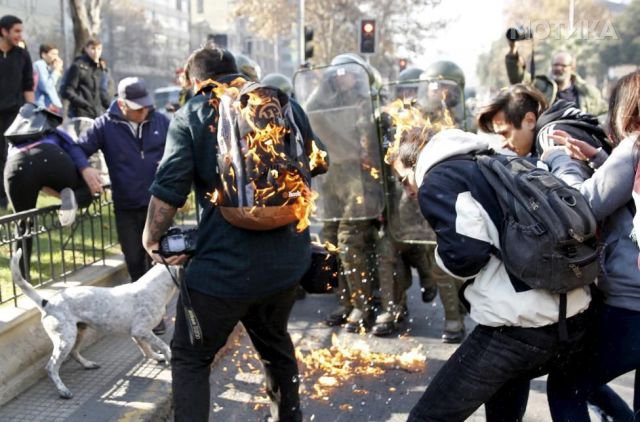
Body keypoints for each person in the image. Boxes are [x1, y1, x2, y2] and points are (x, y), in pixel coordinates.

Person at [142, 44, 325, 422]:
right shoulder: (282, 106)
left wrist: (151, 239)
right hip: (286, 263)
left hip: (221, 273)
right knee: (276, 347)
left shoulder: (192, 114)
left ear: (194, 81)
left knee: (192, 357)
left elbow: (169, 189)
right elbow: (319, 161)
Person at [389, 126, 591, 421]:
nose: (408, 190)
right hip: (571, 314)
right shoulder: (492, 158)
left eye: (404, 179)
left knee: (428, 417)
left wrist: (439, 256)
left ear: (414, 162)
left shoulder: (437, 180)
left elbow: (467, 256)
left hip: (517, 326)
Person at [542, 69, 640, 421]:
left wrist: (560, 161)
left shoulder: (634, 147)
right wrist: (599, 158)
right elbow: (629, 196)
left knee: (566, 385)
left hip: (632, 307)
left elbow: (583, 206)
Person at [302, 53, 385, 332]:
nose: (342, 79)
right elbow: (308, 109)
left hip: (361, 181)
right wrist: (321, 82)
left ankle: (362, 304)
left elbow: (372, 141)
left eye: (347, 74)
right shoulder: (325, 102)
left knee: (350, 241)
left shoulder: (367, 103)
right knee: (330, 241)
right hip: (331, 179)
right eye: (336, 75)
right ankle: (346, 302)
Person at [76, 76, 169, 286]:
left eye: (146, 106)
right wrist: (86, 168)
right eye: (137, 108)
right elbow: (77, 148)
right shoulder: (104, 125)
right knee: (135, 261)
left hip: (160, 204)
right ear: (121, 104)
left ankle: (161, 313)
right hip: (126, 206)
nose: (143, 112)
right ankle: (143, 313)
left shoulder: (161, 121)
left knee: (161, 262)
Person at [4, 104, 99, 275]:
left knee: (23, 222)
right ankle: (72, 197)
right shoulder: (52, 132)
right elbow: (73, 147)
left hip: (16, 165)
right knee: (85, 191)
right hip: (51, 155)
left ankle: (21, 275)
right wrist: (84, 168)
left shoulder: (13, 141)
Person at [505, 41, 607, 116]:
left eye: (563, 65)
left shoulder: (588, 93)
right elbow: (518, 78)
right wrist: (513, 50)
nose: (558, 68)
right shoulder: (540, 86)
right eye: (555, 65)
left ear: (572, 68)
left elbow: (604, 113)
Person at [0, 15, 34, 210]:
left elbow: (28, 86)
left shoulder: (22, 55)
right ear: (4, 32)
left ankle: (13, 194)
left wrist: (32, 114)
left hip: (15, 114)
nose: (20, 35)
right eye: (16, 31)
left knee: (14, 156)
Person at [61, 38, 111, 119]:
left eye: (99, 49)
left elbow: (102, 93)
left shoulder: (101, 68)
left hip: (96, 114)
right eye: (93, 48)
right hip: (79, 114)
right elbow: (67, 91)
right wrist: (84, 104)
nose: (96, 52)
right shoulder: (78, 66)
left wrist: (112, 107)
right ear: (86, 49)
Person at [33, 43, 63, 112]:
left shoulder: (49, 68)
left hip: (52, 108)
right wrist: (56, 71)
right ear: (44, 55)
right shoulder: (40, 64)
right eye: (53, 54)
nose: (56, 58)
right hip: (43, 108)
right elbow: (46, 87)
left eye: (57, 54)